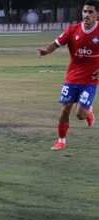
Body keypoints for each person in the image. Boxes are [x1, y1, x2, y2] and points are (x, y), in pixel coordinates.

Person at [37, 0, 99, 151]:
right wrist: (46, 51)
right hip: (72, 78)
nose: (87, 15)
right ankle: (61, 140)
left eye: (90, 12)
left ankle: (88, 111)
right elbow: (56, 43)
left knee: (80, 115)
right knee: (65, 109)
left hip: (91, 80)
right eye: (85, 11)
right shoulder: (73, 30)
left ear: (97, 14)